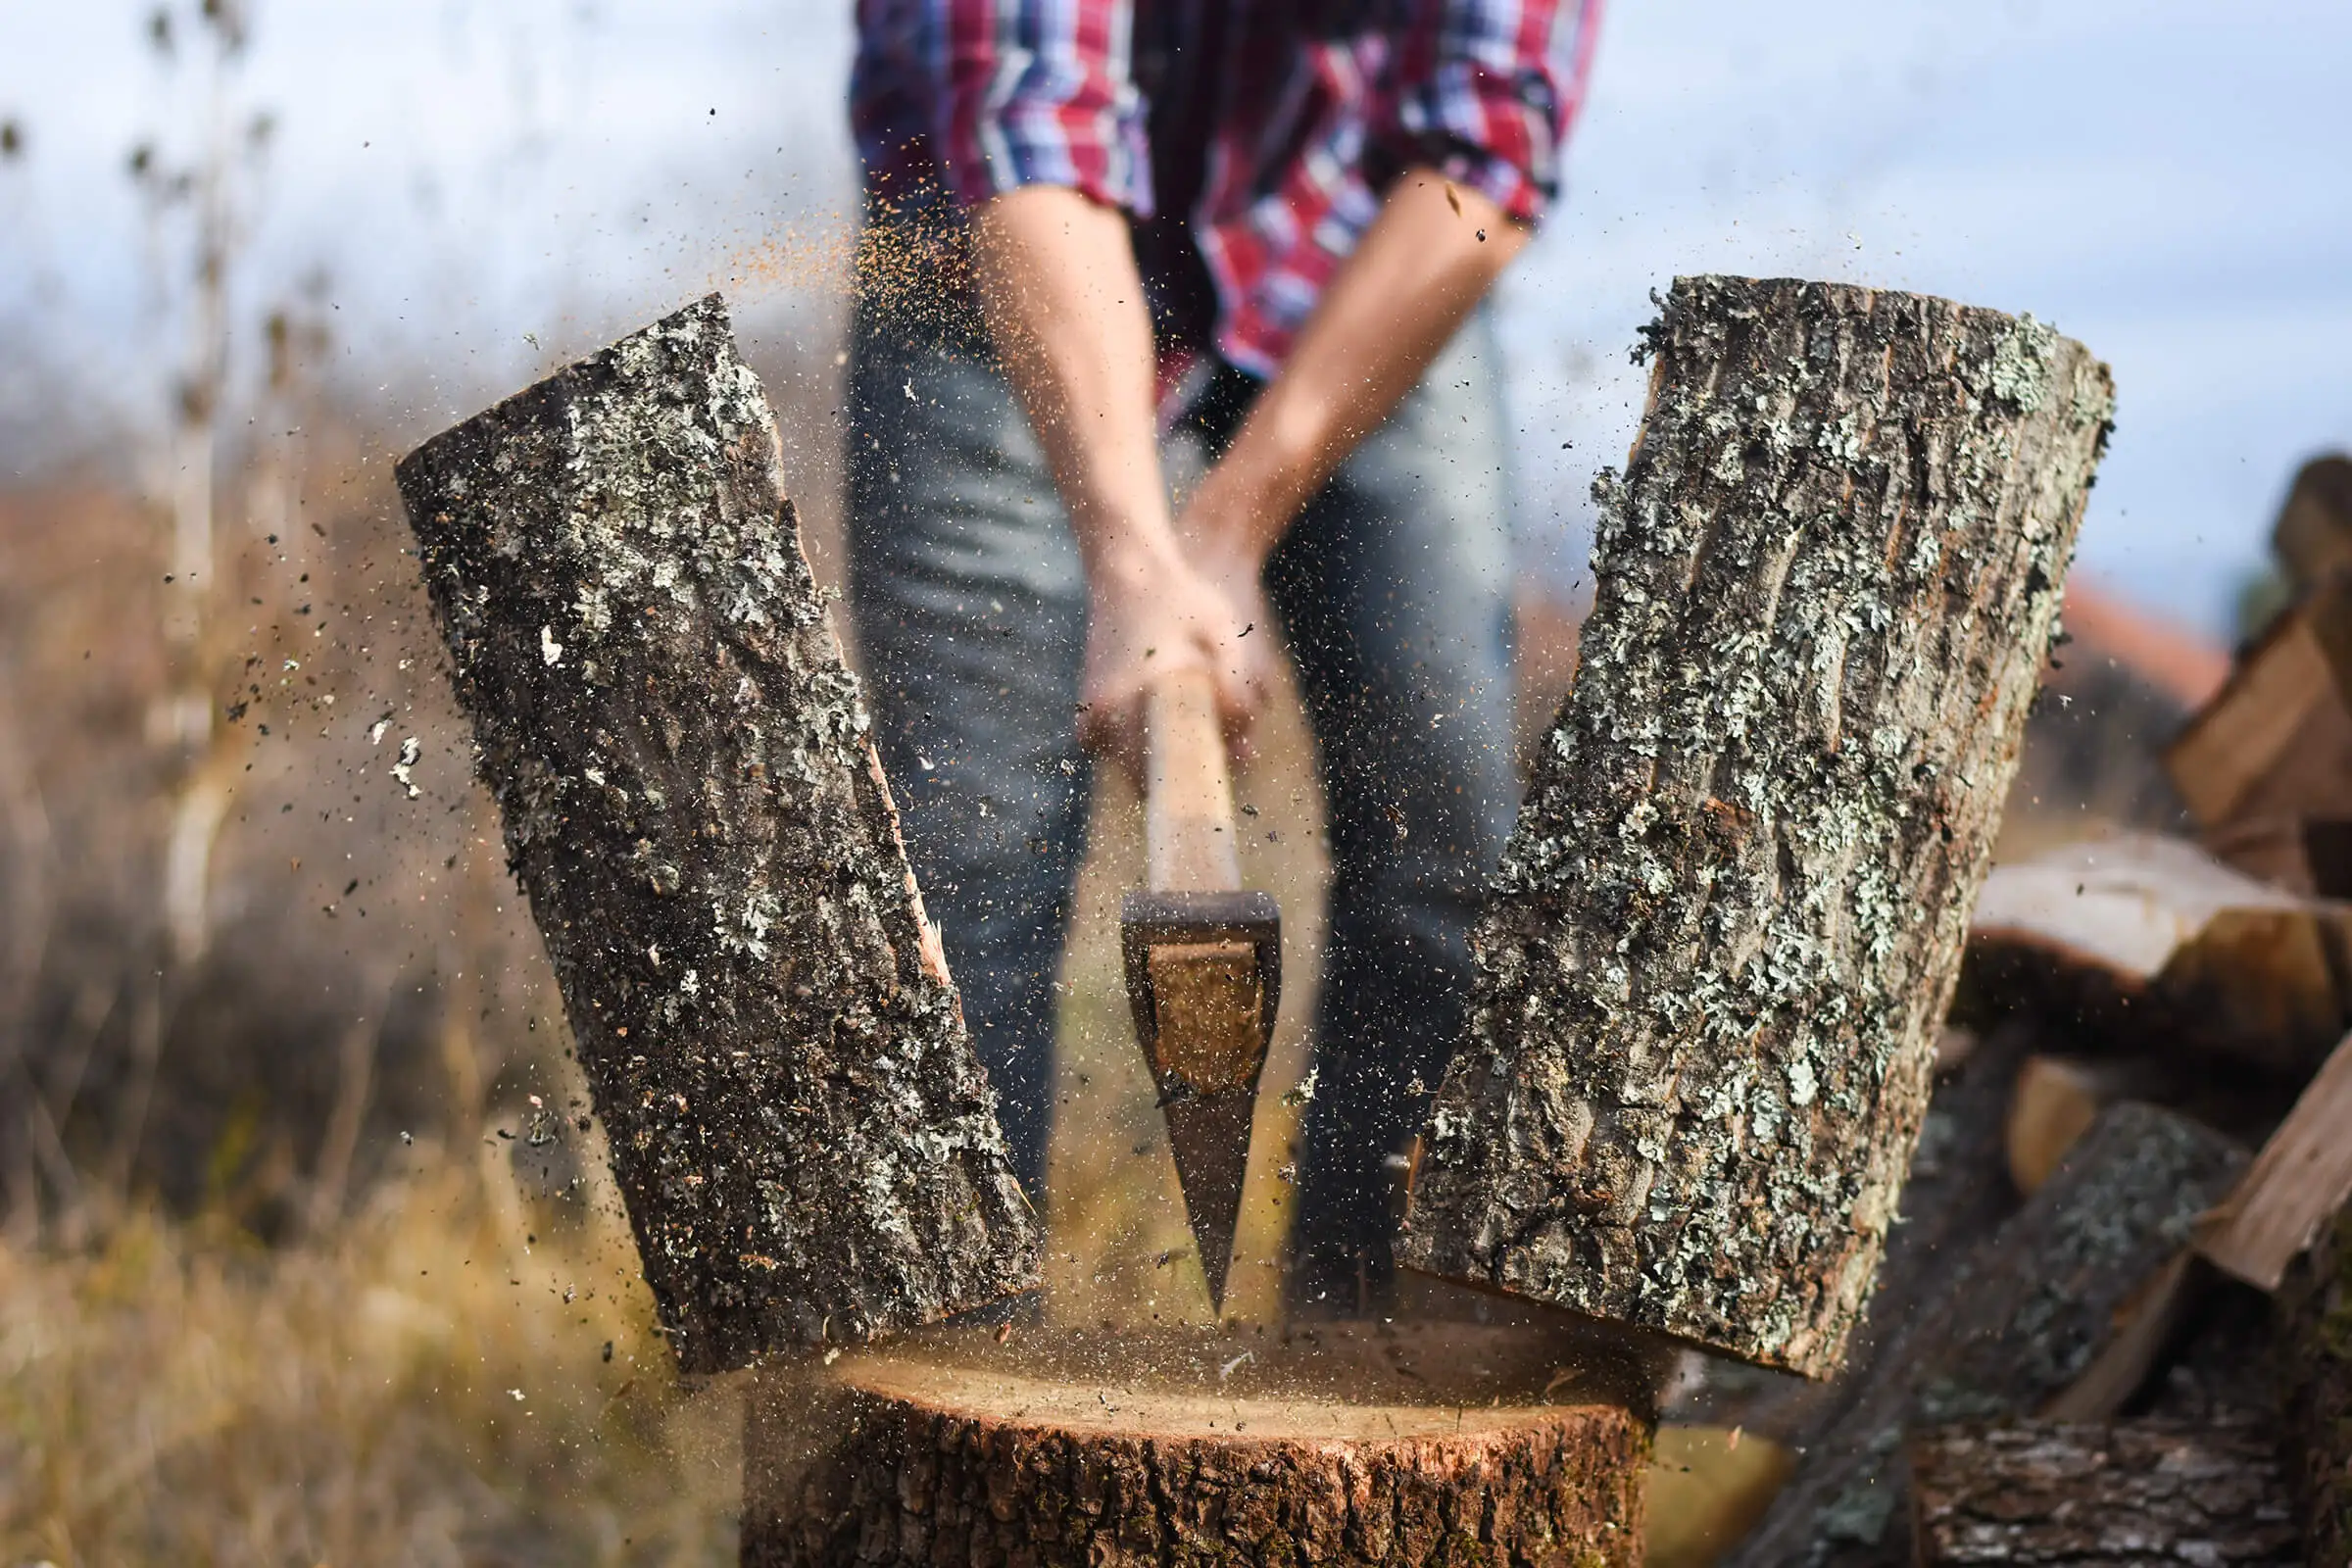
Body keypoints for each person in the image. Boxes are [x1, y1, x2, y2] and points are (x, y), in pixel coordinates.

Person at [844, 0, 1601, 1314]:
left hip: (1354, 256)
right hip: (991, 256)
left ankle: (1378, 1381)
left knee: (1453, 848)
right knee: (957, 885)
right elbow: (1034, 128)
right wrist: (1135, 562)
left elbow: (1486, 145)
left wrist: (1233, 521)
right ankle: (928, 1409)